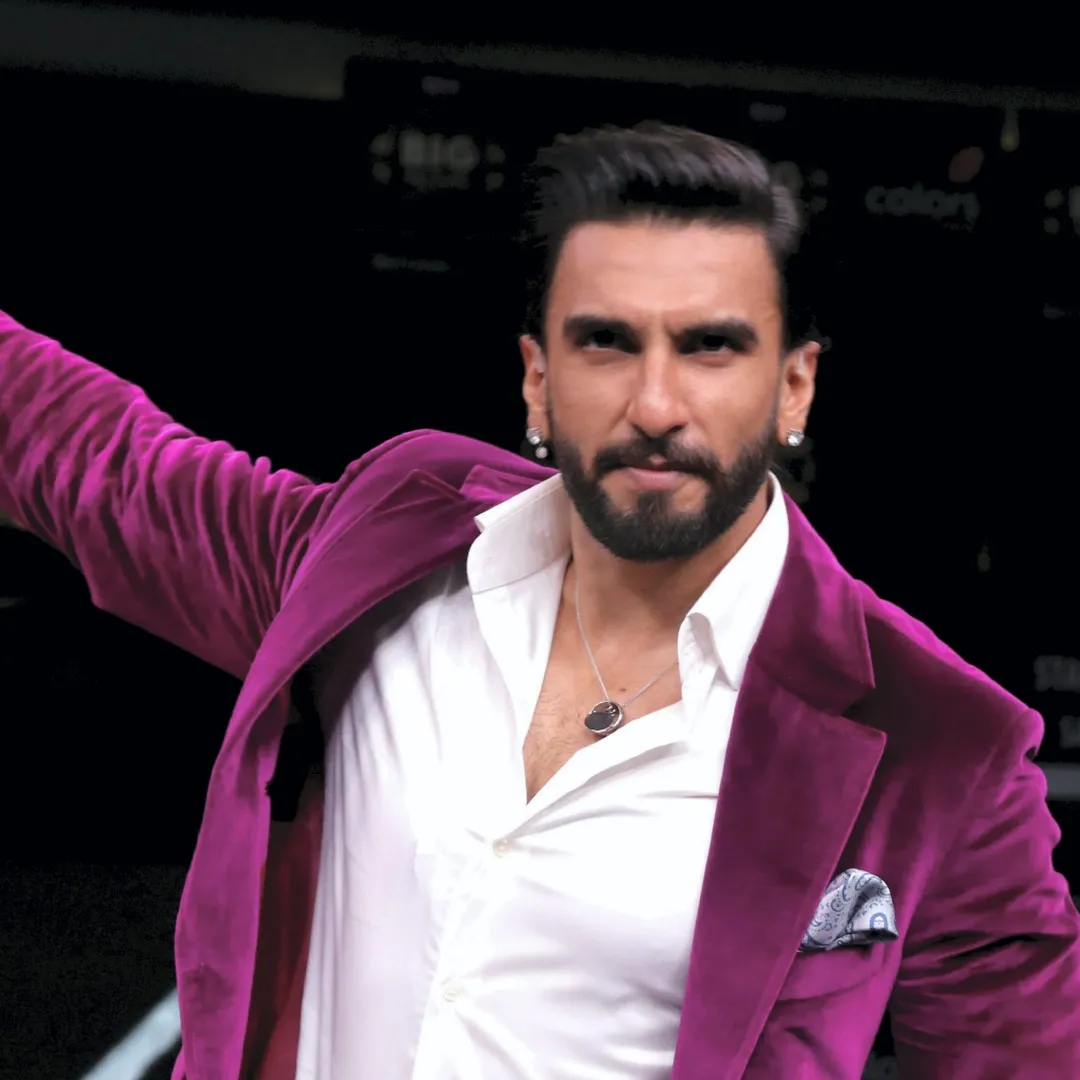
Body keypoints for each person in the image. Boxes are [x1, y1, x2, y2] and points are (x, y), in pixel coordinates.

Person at [0, 123, 1076, 1080]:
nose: (655, 404)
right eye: (606, 341)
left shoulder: (938, 742)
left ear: (793, 384)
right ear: (537, 379)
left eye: (710, 346)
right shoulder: (391, 538)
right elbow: (106, 469)